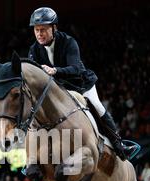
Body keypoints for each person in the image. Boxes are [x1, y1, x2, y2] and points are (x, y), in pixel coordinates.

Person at [27, 7, 137, 161]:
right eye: (36, 30)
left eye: (43, 29)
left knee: (97, 106)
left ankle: (119, 145)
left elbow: (75, 68)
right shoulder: (34, 50)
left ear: (54, 28)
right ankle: (33, 158)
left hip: (80, 84)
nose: (39, 34)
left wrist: (54, 71)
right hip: (60, 90)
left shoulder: (68, 42)